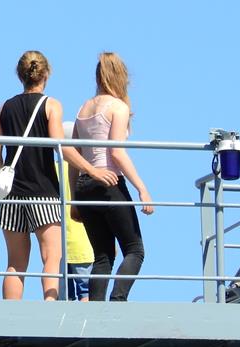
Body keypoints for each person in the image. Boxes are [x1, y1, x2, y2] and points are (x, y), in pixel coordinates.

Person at [0, 51, 118, 301]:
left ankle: (11, 312)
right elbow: (62, 147)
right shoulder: (51, 105)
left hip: (11, 194)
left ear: (20, 75)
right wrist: (92, 170)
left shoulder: (5, 106)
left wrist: (4, 168)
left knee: (15, 263)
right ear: (46, 74)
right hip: (43, 192)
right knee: (51, 256)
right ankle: (49, 304)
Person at [70, 51, 154, 302]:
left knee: (102, 256)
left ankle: (96, 307)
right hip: (110, 184)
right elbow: (116, 152)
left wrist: (74, 197)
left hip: (84, 186)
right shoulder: (118, 107)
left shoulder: (83, 108)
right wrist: (142, 188)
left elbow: (74, 155)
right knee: (135, 250)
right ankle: (118, 301)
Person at [58, 130, 93, 301]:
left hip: (56, 245)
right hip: (85, 243)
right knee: (86, 293)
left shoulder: (50, 171)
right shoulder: (85, 171)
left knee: (64, 297)